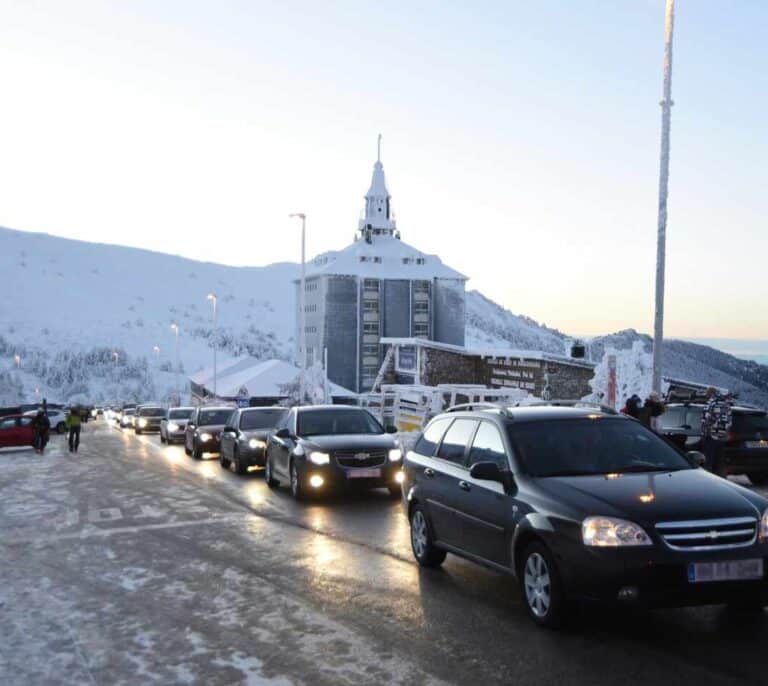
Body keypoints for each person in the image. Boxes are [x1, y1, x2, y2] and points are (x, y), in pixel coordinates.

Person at [701, 387, 733, 475]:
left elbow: (706, 421)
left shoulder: (711, 404)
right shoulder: (726, 405)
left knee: (708, 461)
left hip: (711, 436)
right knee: (719, 462)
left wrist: (704, 434)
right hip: (722, 437)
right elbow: (730, 421)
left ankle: (708, 480)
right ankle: (721, 479)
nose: (706, 397)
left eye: (707, 394)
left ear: (710, 394)